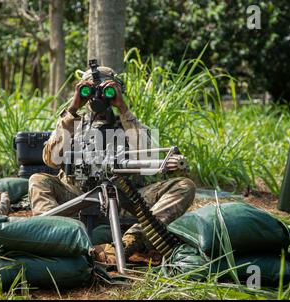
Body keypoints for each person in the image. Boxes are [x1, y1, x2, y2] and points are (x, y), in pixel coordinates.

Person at [28, 65, 196, 263]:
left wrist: (123, 109)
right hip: (76, 197)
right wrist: (73, 109)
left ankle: (130, 242)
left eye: (105, 90)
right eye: (91, 90)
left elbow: (150, 156)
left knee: (184, 186)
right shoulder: (73, 123)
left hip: (124, 197)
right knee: (38, 180)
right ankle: (59, 236)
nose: (97, 97)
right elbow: (51, 159)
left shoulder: (127, 124)